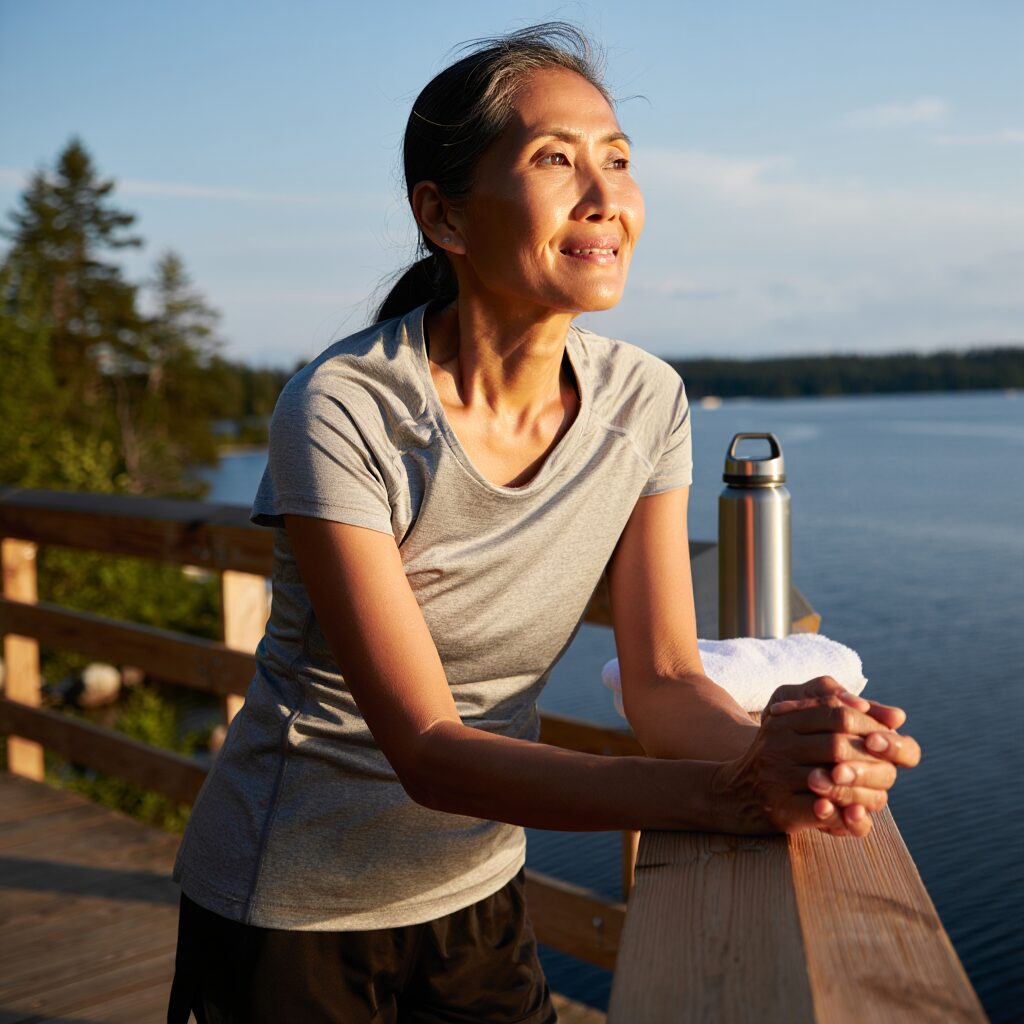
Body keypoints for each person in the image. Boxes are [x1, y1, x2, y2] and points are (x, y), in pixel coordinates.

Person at [168, 23, 920, 1023]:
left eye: (616, 159)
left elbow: (662, 678)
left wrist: (790, 748)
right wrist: (727, 793)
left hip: (477, 883)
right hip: (292, 907)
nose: (606, 195)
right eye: (554, 160)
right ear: (444, 215)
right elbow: (429, 748)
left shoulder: (644, 401)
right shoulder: (346, 406)